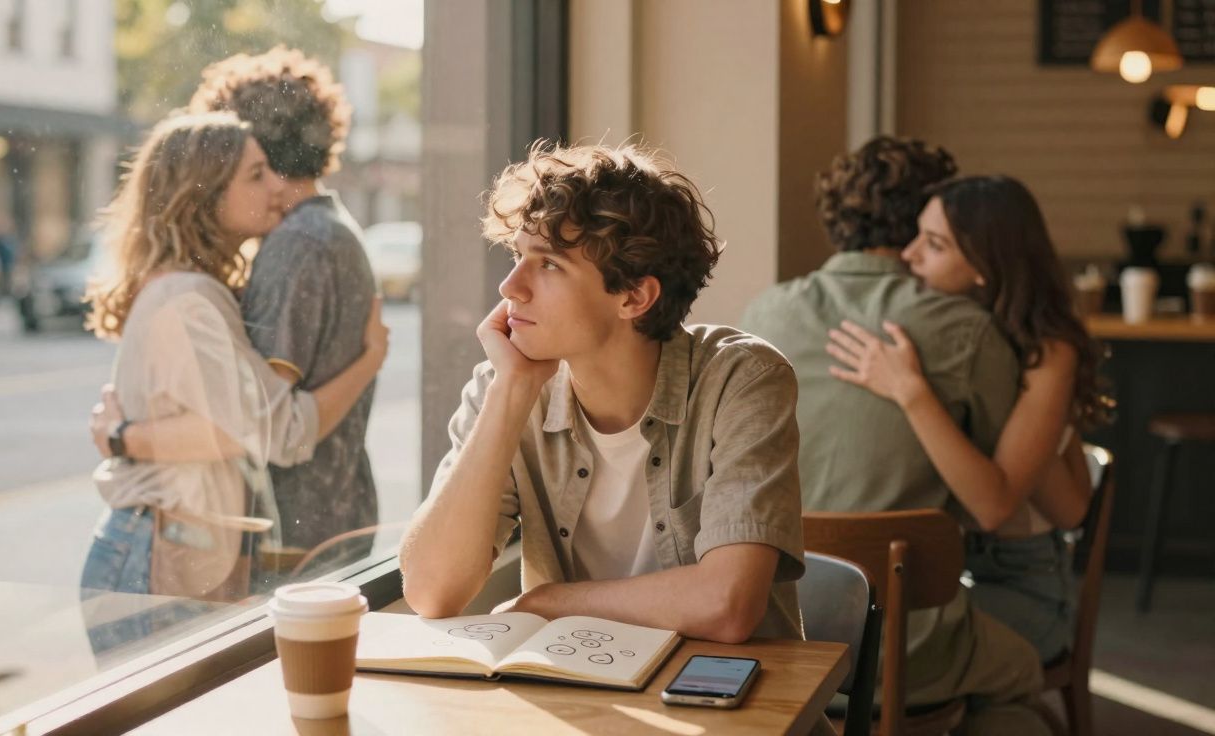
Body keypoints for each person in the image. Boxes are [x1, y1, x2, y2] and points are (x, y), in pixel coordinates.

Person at [399, 142, 811, 649]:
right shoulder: (503, 386)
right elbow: (430, 592)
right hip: (587, 697)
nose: (511, 287)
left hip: (732, 705)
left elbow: (726, 606)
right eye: (517, 256)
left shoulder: (741, 380)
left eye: (548, 265)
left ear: (634, 296)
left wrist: (547, 604)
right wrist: (511, 393)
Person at [740, 137, 1048, 734]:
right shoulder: (968, 330)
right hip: (910, 648)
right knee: (1024, 676)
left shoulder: (762, 316)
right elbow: (997, 499)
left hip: (778, 632)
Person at [80, 112, 387, 623]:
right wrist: (370, 359)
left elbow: (228, 430)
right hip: (155, 555)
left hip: (160, 548)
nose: (275, 186)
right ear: (204, 193)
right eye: (255, 175)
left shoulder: (187, 290)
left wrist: (123, 436)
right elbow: (282, 432)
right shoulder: (189, 301)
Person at [823, 175, 1107, 664]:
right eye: (917, 235)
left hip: (1020, 582)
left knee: (879, 653)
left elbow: (1011, 509)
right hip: (947, 571)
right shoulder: (944, 330)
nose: (908, 255)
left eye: (933, 245)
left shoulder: (1047, 352)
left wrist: (910, 392)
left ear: (984, 266)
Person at [186, 47, 383, 569]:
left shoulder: (297, 245)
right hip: (334, 516)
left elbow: (264, 422)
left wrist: (128, 437)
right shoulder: (332, 228)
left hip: (296, 535)